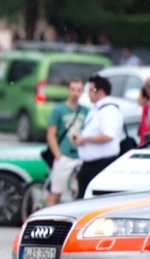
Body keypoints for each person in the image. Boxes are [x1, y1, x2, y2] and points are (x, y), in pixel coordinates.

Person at [73, 75, 123, 199]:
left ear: (100, 91)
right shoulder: (96, 109)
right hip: (89, 164)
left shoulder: (109, 111)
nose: (89, 93)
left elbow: (108, 135)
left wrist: (85, 139)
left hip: (101, 164)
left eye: (91, 90)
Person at [44, 78, 88, 206]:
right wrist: (58, 156)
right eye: (73, 89)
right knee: (56, 192)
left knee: (77, 192)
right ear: (68, 90)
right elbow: (51, 134)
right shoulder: (58, 110)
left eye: (79, 90)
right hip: (64, 155)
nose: (75, 93)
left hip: (80, 157)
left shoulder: (86, 111)